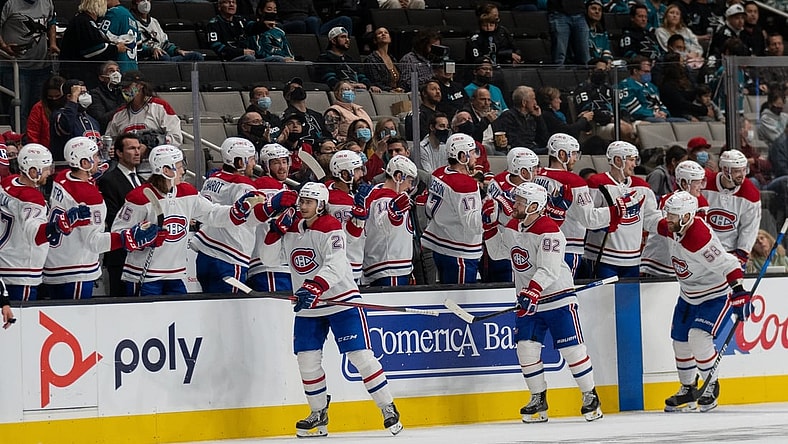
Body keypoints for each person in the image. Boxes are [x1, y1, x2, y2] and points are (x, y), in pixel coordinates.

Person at [260, 182, 402, 437]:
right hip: (309, 305)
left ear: (321, 205)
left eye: (308, 202)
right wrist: (273, 232)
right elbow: (269, 260)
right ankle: (318, 412)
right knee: (307, 360)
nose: (302, 206)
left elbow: (336, 265)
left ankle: (387, 407)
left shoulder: (331, 228)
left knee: (360, 356)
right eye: (301, 201)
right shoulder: (291, 227)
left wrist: (315, 286)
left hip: (341, 300)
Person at [483, 181, 603, 423]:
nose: (514, 204)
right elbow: (497, 253)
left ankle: (590, 395)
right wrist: (490, 227)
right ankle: (539, 398)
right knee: (526, 349)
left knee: (572, 349)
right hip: (529, 301)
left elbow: (548, 269)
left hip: (557, 297)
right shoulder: (514, 226)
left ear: (535, 206)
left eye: (520, 202)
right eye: (516, 200)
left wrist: (533, 290)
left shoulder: (550, 231)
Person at [111, 145, 266, 296]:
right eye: (178, 166)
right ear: (166, 170)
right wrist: (139, 238)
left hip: (175, 275)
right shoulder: (139, 197)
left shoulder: (187, 192)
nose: (183, 170)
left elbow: (212, 214)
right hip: (143, 276)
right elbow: (118, 232)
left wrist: (236, 210)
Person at [657, 191, 752, 413]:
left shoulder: (699, 237)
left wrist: (738, 291)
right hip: (688, 294)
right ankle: (688, 388)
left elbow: (728, 263)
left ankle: (711, 386)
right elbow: (654, 222)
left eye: (673, 214)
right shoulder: (673, 227)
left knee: (698, 338)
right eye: (668, 213)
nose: (667, 218)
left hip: (714, 295)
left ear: (687, 217)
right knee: (679, 342)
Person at [44, 137, 158, 299]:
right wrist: (127, 238)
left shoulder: (61, 177)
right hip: (76, 269)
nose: (99, 160)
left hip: (54, 263)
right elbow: (94, 243)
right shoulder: (90, 197)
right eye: (95, 156)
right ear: (84, 163)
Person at [534, 133, 637, 277]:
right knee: (563, 293)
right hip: (566, 247)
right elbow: (589, 220)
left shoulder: (537, 176)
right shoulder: (574, 181)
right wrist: (617, 209)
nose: (576, 158)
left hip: (538, 244)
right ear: (562, 155)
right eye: (574, 154)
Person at [0, 144, 91, 301]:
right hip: (21, 272)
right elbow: (35, 235)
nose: (50, 172)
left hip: (4, 265)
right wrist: (60, 224)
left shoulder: (7, 183)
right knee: (19, 323)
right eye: (46, 168)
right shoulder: (32, 199)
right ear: (33, 171)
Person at [191, 137, 267, 294]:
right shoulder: (243, 184)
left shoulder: (211, 179)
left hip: (205, 252)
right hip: (229, 256)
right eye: (251, 159)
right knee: (228, 308)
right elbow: (253, 216)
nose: (254, 164)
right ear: (240, 162)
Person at [585, 141, 660, 278]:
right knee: (602, 298)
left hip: (633, 258)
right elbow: (589, 219)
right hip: (603, 257)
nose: (634, 164)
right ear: (618, 160)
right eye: (631, 160)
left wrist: (666, 225)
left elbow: (650, 219)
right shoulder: (597, 183)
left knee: (630, 298)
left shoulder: (642, 186)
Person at [421, 133, 483, 284]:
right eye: (473, 152)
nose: (476, 156)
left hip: (440, 243)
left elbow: (428, 211)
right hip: (460, 250)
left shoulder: (438, 173)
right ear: (462, 156)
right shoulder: (465, 184)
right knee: (459, 302)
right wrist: (490, 210)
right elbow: (472, 224)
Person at [641, 159, 709, 276]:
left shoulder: (702, 203)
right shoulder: (670, 201)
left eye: (701, 181)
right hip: (659, 262)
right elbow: (674, 233)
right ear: (684, 183)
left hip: (681, 266)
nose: (700, 187)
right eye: (697, 183)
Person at [0, 0, 58, 133]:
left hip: (41, 65)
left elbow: (51, 22)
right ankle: (20, 141)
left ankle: (36, 143)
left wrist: (53, 43)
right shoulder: (9, 3)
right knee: (20, 109)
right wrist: (3, 46)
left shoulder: (47, 2)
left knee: (39, 109)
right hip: (15, 66)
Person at [483, 147, 539, 282]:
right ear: (523, 172)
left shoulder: (534, 186)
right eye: (534, 168)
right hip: (505, 247)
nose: (537, 172)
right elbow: (510, 216)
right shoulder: (497, 184)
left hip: (525, 246)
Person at [98, 133, 144, 297]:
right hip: (120, 255)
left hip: (142, 257)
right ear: (118, 152)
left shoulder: (142, 181)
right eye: (131, 148)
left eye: (138, 148)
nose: (137, 152)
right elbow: (112, 217)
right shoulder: (108, 180)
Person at [361, 155, 417, 286]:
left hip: (389, 265)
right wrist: (393, 213)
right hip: (389, 267)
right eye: (409, 181)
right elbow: (383, 224)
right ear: (398, 176)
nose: (410, 187)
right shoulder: (385, 199)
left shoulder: (377, 191)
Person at [700, 149, 761, 269]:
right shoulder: (704, 183)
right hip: (701, 248)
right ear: (724, 170)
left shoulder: (751, 193)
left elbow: (749, 227)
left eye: (743, 170)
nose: (741, 175)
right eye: (737, 171)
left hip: (729, 252)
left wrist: (742, 253)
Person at [247, 144, 296, 292]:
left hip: (278, 263)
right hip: (268, 265)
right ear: (265, 166)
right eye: (276, 163)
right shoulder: (264, 186)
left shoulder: (284, 188)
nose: (282, 167)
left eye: (284, 161)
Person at [60, 0, 127, 90]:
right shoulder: (84, 21)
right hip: (78, 75)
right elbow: (92, 49)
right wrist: (116, 48)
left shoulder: (85, 21)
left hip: (82, 74)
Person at [106, 71, 183, 148]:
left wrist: (153, 144)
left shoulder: (160, 106)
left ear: (140, 85)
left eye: (127, 86)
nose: (124, 90)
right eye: (122, 87)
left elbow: (176, 138)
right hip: (128, 158)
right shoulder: (118, 114)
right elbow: (109, 141)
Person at [325, 150, 369, 281]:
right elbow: (349, 238)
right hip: (342, 265)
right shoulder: (333, 201)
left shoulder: (353, 195)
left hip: (355, 263)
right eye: (357, 170)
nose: (361, 174)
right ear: (344, 174)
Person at [573, 59, 636, 143]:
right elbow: (589, 112)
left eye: (605, 70)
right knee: (625, 130)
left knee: (643, 127)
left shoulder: (608, 88)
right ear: (591, 71)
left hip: (615, 120)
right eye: (600, 70)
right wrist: (612, 119)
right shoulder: (582, 89)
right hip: (597, 124)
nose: (603, 73)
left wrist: (626, 120)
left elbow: (620, 106)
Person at [132, 0, 204, 63]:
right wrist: (151, 50)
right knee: (163, 57)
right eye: (141, 0)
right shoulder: (130, 21)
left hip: (163, 55)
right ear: (135, 2)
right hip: (147, 57)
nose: (145, 3)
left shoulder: (154, 21)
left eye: (148, 0)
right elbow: (135, 47)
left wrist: (177, 50)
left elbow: (165, 44)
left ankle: (171, 63)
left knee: (196, 56)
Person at [49, 79, 102, 162]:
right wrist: (73, 99)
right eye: (81, 93)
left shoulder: (92, 120)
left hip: (90, 168)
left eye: (86, 92)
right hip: (67, 168)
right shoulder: (59, 115)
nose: (86, 96)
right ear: (69, 96)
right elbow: (66, 126)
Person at [619, 56, 681, 123]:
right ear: (635, 71)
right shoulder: (626, 85)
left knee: (682, 122)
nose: (648, 74)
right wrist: (653, 114)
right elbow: (633, 109)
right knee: (661, 123)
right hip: (641, 118)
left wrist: (664, 112)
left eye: (649, 72)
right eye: (646, 71)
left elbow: (659, 103)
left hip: (658, 116)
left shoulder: (652, 86)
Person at [492, 86, 550, 155]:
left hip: (532, 150)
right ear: (524, 103)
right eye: (533, 99)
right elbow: (516, 143)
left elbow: (544, 140)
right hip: (518, 152)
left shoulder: (532, 117)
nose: (535, 103)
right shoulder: (508, 117)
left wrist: (539, 118)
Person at [316, 27, 375, 91]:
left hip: (359, 90)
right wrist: (351, 85)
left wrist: (369, 86)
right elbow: (330, 80)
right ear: (333, 40)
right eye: (343, 37)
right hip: (340, 92)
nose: (347, 40)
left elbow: (362, 76)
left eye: (348, 37)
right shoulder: (325, 58)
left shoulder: (350, 59)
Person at [282, 77, 330, 142]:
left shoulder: (317, 115)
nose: (298, 89)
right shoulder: (288, 117)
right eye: (293, 88)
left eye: (300, 87)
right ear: (287, 96)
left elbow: (326, 133)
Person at [26, 75, 65, 149]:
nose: (54, 99)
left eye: (57, 96)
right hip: (45, 151)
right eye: (50, 97)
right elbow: (33, 134)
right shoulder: (38, 108)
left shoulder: (71, 107)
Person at [547, 0, 591, 65]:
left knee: (584, 56)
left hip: (580, 13)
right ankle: (557, 74)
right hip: (558, 12)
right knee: (559, 56)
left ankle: (584, 75)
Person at [101, 0, 139, 72]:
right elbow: (139, 46)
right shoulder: (132, 18)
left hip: (118, 69)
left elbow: (100, 37)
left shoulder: (114, 13)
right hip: (133, 69)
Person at [277, 0, 352, 36]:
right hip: (292, 24)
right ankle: (318, 48)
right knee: (306, 22)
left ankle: (347, 52)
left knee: (345, 20)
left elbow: (315, 15)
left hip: (313, 26)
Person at [87, 61, 125, 133]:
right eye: (111, 71)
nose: (116, 73)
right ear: (101, 77)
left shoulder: (122, 91)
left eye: (117, 71)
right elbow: (100, 120)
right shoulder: (95, 94)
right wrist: (122, 108)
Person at [363, 27, 403, 92]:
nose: (383, 34)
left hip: (397, 93)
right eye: (380, 33)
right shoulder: (371, 59)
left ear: (390, 39)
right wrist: (391, 90)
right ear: (375, 40)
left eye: (386, 32)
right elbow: (375, 82)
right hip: (382, 93)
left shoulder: (393, 59)